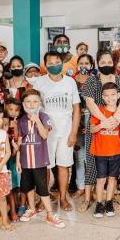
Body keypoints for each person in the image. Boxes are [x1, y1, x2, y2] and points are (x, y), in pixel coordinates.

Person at [33, 51, 80, 212]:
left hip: (66, 131)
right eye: (50, 63)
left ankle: (63, 198)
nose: (54, 65)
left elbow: (76, 109)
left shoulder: (70, 82)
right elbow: (34, 108)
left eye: (57, 61)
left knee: (63, 165)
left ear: (62, 62)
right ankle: (43, 199)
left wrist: (73, 133)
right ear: (45, 66)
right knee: (45, 167)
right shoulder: (39, 82)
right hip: (46, 133)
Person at [81, 50, 120, 212]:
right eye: (103, 62)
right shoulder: (91, 81)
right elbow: (90, 103)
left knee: (114, 166)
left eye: (109, 62)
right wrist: (104, 120)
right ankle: (88, 199)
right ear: (97, 64)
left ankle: (109, 199)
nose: (107, 65)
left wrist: (115, 118)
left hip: (116, 123)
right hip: (97, 124)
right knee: (92, 161)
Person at [16, 89, 65, 228]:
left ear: (40, 103)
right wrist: (19, 160)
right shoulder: (21, 120)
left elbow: (44, 135)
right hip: (26, 162)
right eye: (28, 101)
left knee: (42, 188)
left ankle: (50, 214)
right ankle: (31, 208)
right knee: (28, 186)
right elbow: (20, 141)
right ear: (24, 103)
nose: (32, 104)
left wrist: (36, 119)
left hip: (39, 160)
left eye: (35, 101)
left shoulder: (44, 117)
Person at [90, 82, 120, 217]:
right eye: (106, 95)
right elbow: (92, 129)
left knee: (112, 179)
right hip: (100, 152)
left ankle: (108, 202)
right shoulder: (99, 111)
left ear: (118, 95)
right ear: (102, 97)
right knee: (101, 179)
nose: (110, 98)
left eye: (113, 95)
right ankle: (99, 203)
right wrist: (102, 124)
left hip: (116, 152)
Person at [72, 53, 95, 199]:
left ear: (91, 66)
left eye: (87, 63)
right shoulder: (71, 80)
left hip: (91, 118)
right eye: (81, 63)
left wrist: (93, 123)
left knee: (91, 155)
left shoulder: (95, 81)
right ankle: (80, 186)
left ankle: (91, 186)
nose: (84, 66)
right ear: (77, 65)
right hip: (76, 119)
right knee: (79, 156)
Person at [4, 98, 24, 221]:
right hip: (6, 157)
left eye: (16, 110)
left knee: (20, 183)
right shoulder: (2, 121)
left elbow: (20, 139)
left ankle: (21, 204)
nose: (13, 112)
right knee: (10, 185)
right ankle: (12, 210)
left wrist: (16, 126)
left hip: (19, 156)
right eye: (10, 109)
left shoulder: (21, 121)